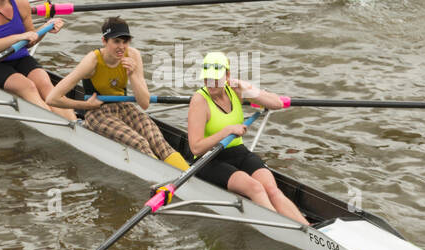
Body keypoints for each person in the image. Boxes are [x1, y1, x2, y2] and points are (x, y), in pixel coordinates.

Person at [46, 17, 191, 171]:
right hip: (97, 112)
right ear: (104, 41)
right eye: (116, 41)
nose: (121, 47)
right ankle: (164, 180)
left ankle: (187, 178)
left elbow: (144, 103)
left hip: (123, 106)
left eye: (125, 41)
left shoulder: (133, 55)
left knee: (157, 140)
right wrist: (84, 105)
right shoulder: (92, 61)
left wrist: (133, 74)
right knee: (139, 143)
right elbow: (52, 98)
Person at [186, 52, 309, 225]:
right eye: (207, 79)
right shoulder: (199, 100)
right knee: (256, 188)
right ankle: (284, 228)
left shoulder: (235, 90)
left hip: (238, 152)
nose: (210, 83)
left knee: (273, 190)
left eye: (215, 78)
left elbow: (276, 103)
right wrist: (227, 130)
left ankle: (309, 230)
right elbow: (196, 148)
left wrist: (247, 88)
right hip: (209, 159)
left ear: (227, 75)